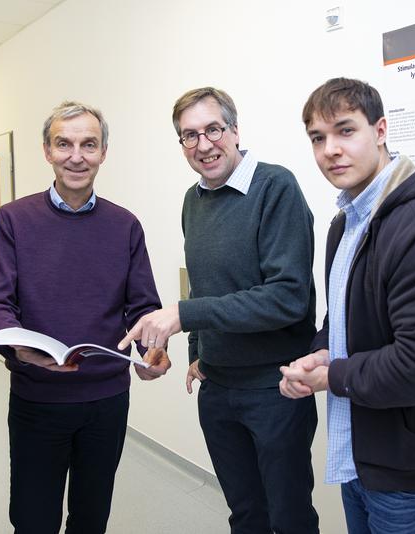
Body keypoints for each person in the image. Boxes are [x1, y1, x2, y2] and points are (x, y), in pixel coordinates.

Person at [279, 77, 415, 534]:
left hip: (410, 469)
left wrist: (330, 375)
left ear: (380, 130)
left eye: (345, 130)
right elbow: (347, 318)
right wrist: (321, 349)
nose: (330, 149)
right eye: (318, 138)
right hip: (363, 452)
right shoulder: (346, 221)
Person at [118, 87, 319, 533]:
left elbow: (287, 297)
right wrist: (197, 351)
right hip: (219, 390)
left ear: (234, 129)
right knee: (245, 515)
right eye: (189, 136)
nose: (204, 145)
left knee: (289, 518)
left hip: (275, 389)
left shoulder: (275, 186)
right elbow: (206, 282)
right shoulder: (194, 200)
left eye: (213, 129)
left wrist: (185, 317)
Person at [0, 101, 171, 534]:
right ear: (46, 151)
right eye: (64, 144)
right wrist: (21, 347)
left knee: (91, 516)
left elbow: (141, 306)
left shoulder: (125, 226)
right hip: (37, 398)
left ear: (104, 152)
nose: (76, 156)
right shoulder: (13, 219)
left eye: (88, 144)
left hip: (106, 401)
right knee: (32, 518)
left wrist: (151, 350)